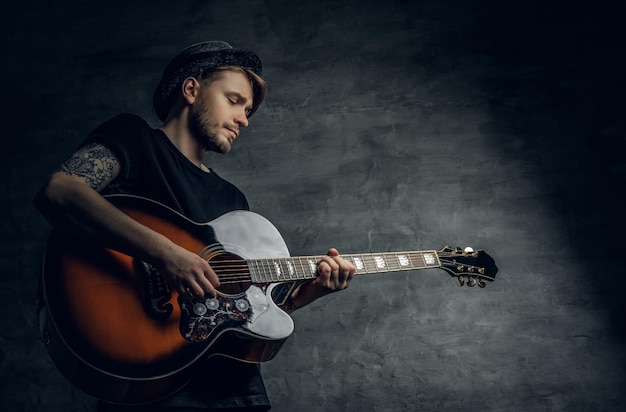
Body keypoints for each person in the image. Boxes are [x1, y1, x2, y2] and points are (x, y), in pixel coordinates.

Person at [34, 41, 356, 411]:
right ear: (191, 90)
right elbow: (60, 191)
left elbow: (247, 312)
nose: (244, 119)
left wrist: (310, 292)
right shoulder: (136, 140)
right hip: (148, 376)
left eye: (248, 110)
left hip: (233, 392)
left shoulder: (234, 203)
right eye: (234, 101)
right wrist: (168, 254)